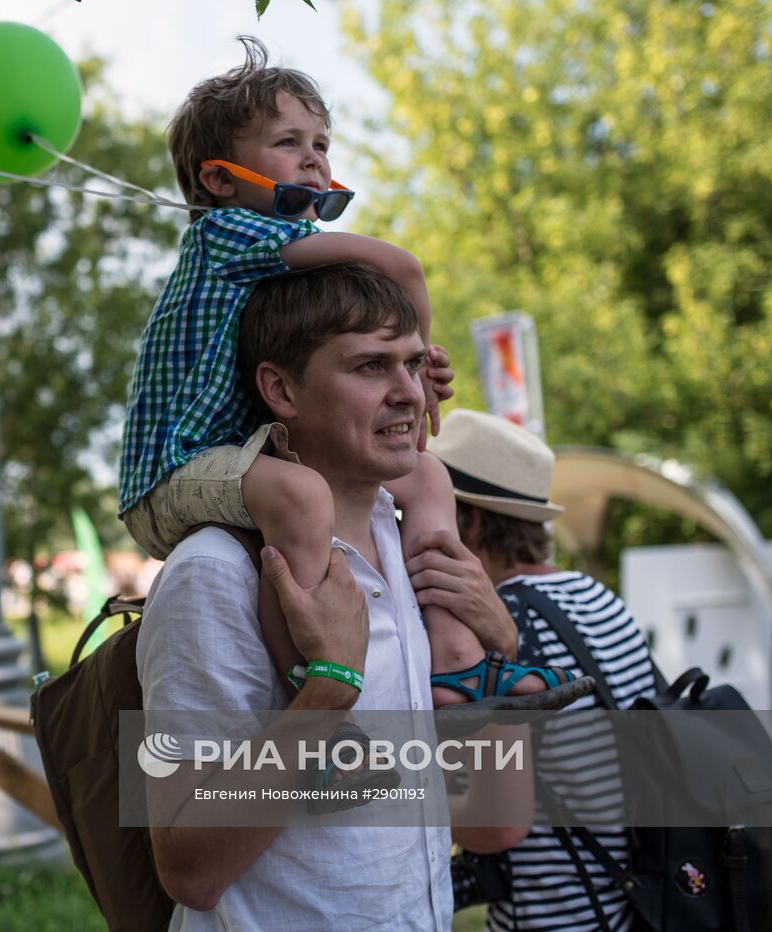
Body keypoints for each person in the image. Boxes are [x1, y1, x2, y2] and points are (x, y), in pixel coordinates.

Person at [120, 36, 583, 713]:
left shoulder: (282, 264)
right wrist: (420, 368)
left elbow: (493, 826)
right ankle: (316, 686)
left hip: (246, 451)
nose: (313, 157)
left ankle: (456, 664)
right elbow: (401, 268)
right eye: (287, 142)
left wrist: (403, 363)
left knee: (429, 474)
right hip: (172, 469)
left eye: (321, 142)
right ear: (219, 178)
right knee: (303, 497)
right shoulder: (229, 235)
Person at [137, 263, 538, 928]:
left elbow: (491, 829)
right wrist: (327, 690)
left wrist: (496, 659)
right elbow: (190, 870)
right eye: (371, 368)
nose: (409, 394)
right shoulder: (217, 571)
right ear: (280, 389)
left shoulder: (416, 552)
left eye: (414, 364)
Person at [419, 409, 657, 930]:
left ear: (471, 523)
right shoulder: (596, 596)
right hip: (635, 907)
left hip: (555, 917)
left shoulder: (503, 626)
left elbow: (498, 826)